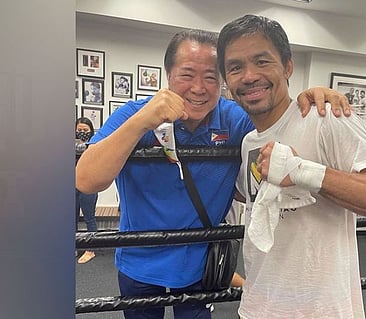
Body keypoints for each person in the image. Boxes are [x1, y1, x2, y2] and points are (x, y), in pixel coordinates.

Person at [76, 29, 350, 319]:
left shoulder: (234, 119)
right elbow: (86, 180)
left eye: (210, 77)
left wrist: (308, 100)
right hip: (139, 261)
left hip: (200, 264)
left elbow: (281, 126)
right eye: (187, 74)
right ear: (168, 74)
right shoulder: (134, 114)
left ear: (221, 81)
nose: (199, 88)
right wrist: (142, 122)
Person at [217, 15, 366, 319]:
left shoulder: (325, 118)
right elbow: (248, 195)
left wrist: (305, 172)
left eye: (262, 62)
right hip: (258, 306)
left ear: (288, 66)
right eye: (235, 67)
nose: (249, 75)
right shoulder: (249, 141)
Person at [75, 117, 98, 264]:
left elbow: (90, 150)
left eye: (85, 130)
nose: (82, 132)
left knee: (89, 217)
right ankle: (74, 245)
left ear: (91, 131)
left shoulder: (96, 143)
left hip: (89, 184)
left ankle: (91, 249)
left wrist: (85, 145)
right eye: (79, 130)